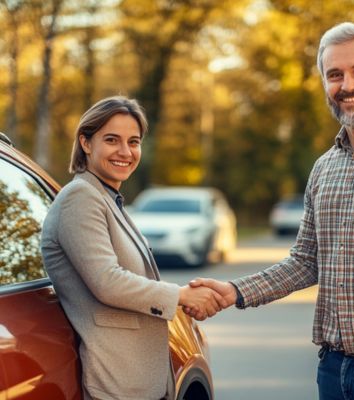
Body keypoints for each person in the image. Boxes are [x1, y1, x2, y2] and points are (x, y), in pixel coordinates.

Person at [188, 22, 354, 400]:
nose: (347, 85)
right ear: (324, 83)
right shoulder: (324, 168)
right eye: (334, 74)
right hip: (332, 370)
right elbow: (304, 261)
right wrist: (234, 290)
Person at [40, 96, 226, 400]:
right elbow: (107, 281)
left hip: (142, 378)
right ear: (86, 143)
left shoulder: (106, 198)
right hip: (117, 380)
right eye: (112, 140)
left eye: (134, 141)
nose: (125, 152)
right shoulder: (80, 197)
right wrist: (180, 295)